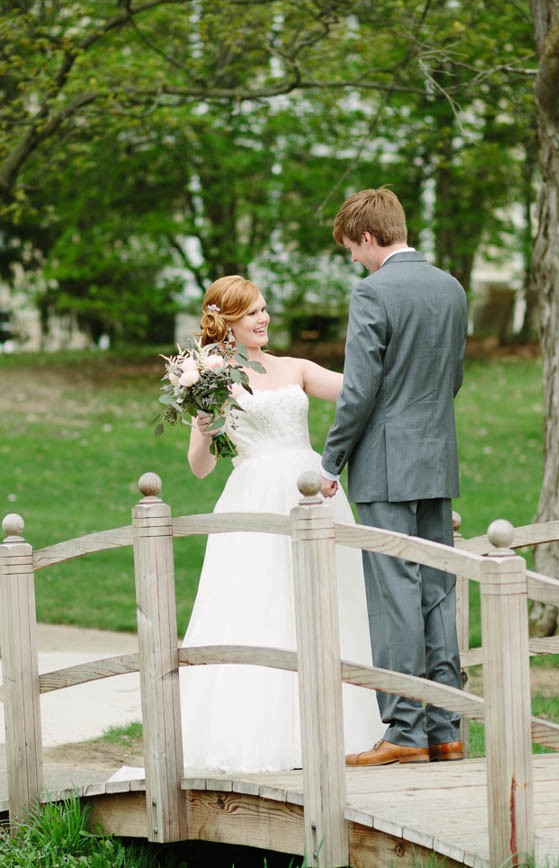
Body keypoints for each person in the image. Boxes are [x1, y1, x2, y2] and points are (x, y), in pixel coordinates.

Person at [177, 274, 385, 773]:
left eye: (264, 309)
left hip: (313, 491)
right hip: (254, 497)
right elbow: (200, 467)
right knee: (263, 603)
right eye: (251, 313)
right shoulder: (210, 378)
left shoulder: (295, 367)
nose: (263, 319)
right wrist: (204, 432)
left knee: (329, 601)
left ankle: (348, 729)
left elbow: (361, 390)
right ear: (224, 321)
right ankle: (264, 734)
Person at [320, 187, 468, 767]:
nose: (354, 259)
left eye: (352, 248)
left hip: (384, 465)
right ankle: (445, 728)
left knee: (395, 597)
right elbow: (452, 376)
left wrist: (330, 461)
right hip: (437, 459)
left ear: (368, 237)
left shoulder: (373, 292)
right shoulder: (452, 288)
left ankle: (405, 732)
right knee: (436, 590)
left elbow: (359, 391)